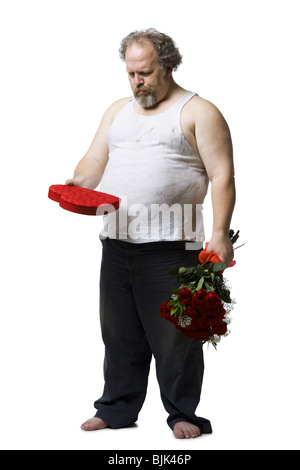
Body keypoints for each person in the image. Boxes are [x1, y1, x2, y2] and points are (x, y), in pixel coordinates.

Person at [66, 29, 235, 439]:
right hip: (118, 242)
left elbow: (222, 174)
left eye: (146, 72)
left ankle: (183, 414)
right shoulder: (117, 110)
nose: (138, 81)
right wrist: (76, 183)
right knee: (119, 334)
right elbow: (94, 159)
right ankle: (116, 409)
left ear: (169, 65)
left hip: (174, 248)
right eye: (131, 74)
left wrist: (219, 234)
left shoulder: (199, 111)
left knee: (178, 337)